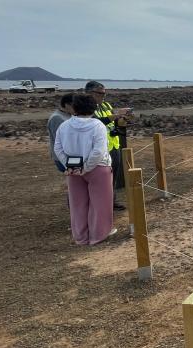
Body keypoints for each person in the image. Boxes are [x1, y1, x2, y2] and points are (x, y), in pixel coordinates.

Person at [54, 94, 116, 245]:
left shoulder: (64, 125)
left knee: (77, 204)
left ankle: (81, 237)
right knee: (100, 202)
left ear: (74, 107)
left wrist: (70, 165)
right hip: (98, 168)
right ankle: (98, 235)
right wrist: (87, 167)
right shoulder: (97, 125)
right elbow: (99, 151)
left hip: (73, 169)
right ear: (93, 108)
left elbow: (58, 148)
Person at [85, 81, 131, 210]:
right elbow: (95, 122)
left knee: (113, 177)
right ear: (89, 93)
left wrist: (123, 119)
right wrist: (117, 115)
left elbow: (115, 123)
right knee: (100, 179)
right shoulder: (85, 108)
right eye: (100, 93)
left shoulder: (105, 105)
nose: (103, 96)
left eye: (104, 93)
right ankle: (100, 205)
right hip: (99, 149)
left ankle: (111, 201)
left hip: (113, 145)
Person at [47, 93, 74, 172]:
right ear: (67, 105)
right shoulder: (57, 118)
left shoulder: (68, 115)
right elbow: (61, 142)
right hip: (63, 158)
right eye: (76, 105)